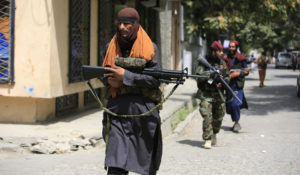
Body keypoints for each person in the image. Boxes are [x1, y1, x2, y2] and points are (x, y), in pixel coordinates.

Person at [100, 8, 162, 175]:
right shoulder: (110, 46)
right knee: (115, 164)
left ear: (135, 25)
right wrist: (109, 80)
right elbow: (103, 73)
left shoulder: (150, 48)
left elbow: (155, 80)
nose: (122, 27)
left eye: (126, 24)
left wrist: (126, 76)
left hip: (144, 111)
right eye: (119, 23)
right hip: (117, 112)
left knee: (145, 162)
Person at [195, 41, 229, 149]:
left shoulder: (222, 63)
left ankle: (214, 133)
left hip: (218, 95)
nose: (222, 53)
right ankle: (207, 139)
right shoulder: (203, 63)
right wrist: (210, 74)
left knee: (219, 118)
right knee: (207, 117)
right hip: (206, 94)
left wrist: (222, 82)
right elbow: (198, 76)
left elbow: (227, 77)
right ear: (214, 51)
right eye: (219, 51)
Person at [223, 40, 248, 132]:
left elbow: (246, 71)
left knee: (235, 104)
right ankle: (235, 122)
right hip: (228, 84)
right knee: (229, 106)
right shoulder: (226, 58)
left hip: (238, 85)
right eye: (230, 46)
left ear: (236, 48)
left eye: (233, 47)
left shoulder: (241, 58)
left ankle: (237, 123)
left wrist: (238, 73)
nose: (231, 48)